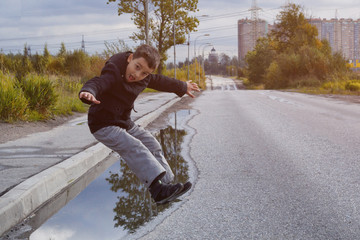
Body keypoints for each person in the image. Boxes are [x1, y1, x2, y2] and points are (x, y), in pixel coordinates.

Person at [79, 44, 200, 205]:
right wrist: (88, 92)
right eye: (137, 67)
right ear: (130, 58)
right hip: (103, 124)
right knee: (134, 146)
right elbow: (99, 82)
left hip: (124, 122)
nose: (137, 75)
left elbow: (160, 81)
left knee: (151, 143)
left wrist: (182, 86)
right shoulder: (113, 70)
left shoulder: (145, 76)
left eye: (144, 73)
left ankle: (167, 184)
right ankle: (157, 190)